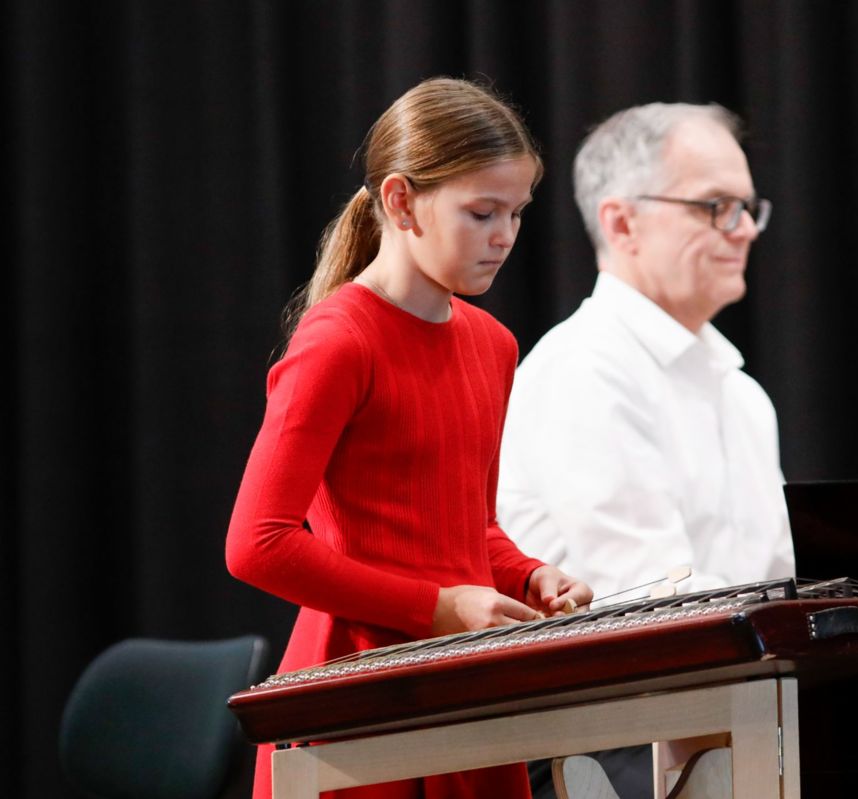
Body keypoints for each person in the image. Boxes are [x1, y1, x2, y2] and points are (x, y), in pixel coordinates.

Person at [226, 77, 591, 799]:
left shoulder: (493, 344)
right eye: (481, 213)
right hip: (357, 695)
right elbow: (257, 543)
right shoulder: (339, 341)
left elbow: (466, 526)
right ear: (399, 201)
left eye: (516, 213)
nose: (504, 236)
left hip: (462, 682)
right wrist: (436, 607)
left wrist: (526, 576)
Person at [496, 102, 793, 799]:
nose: (745, 229)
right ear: (621, 222)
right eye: (715, 206)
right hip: (602, 736)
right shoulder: (583, 369)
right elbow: (654, 609)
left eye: (747, 207)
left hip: (724, 713)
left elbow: (778, 587)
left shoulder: (743, 395)